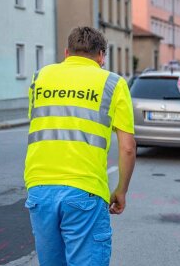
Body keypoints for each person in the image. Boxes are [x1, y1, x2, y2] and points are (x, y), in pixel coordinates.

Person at [24, 27, 136, 266]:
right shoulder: (113, 83)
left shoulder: (39, 78)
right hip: (83, 189)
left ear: (67, 53)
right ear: (101, 56)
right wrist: (121, 190)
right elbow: (127, 147)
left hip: (39, 190)